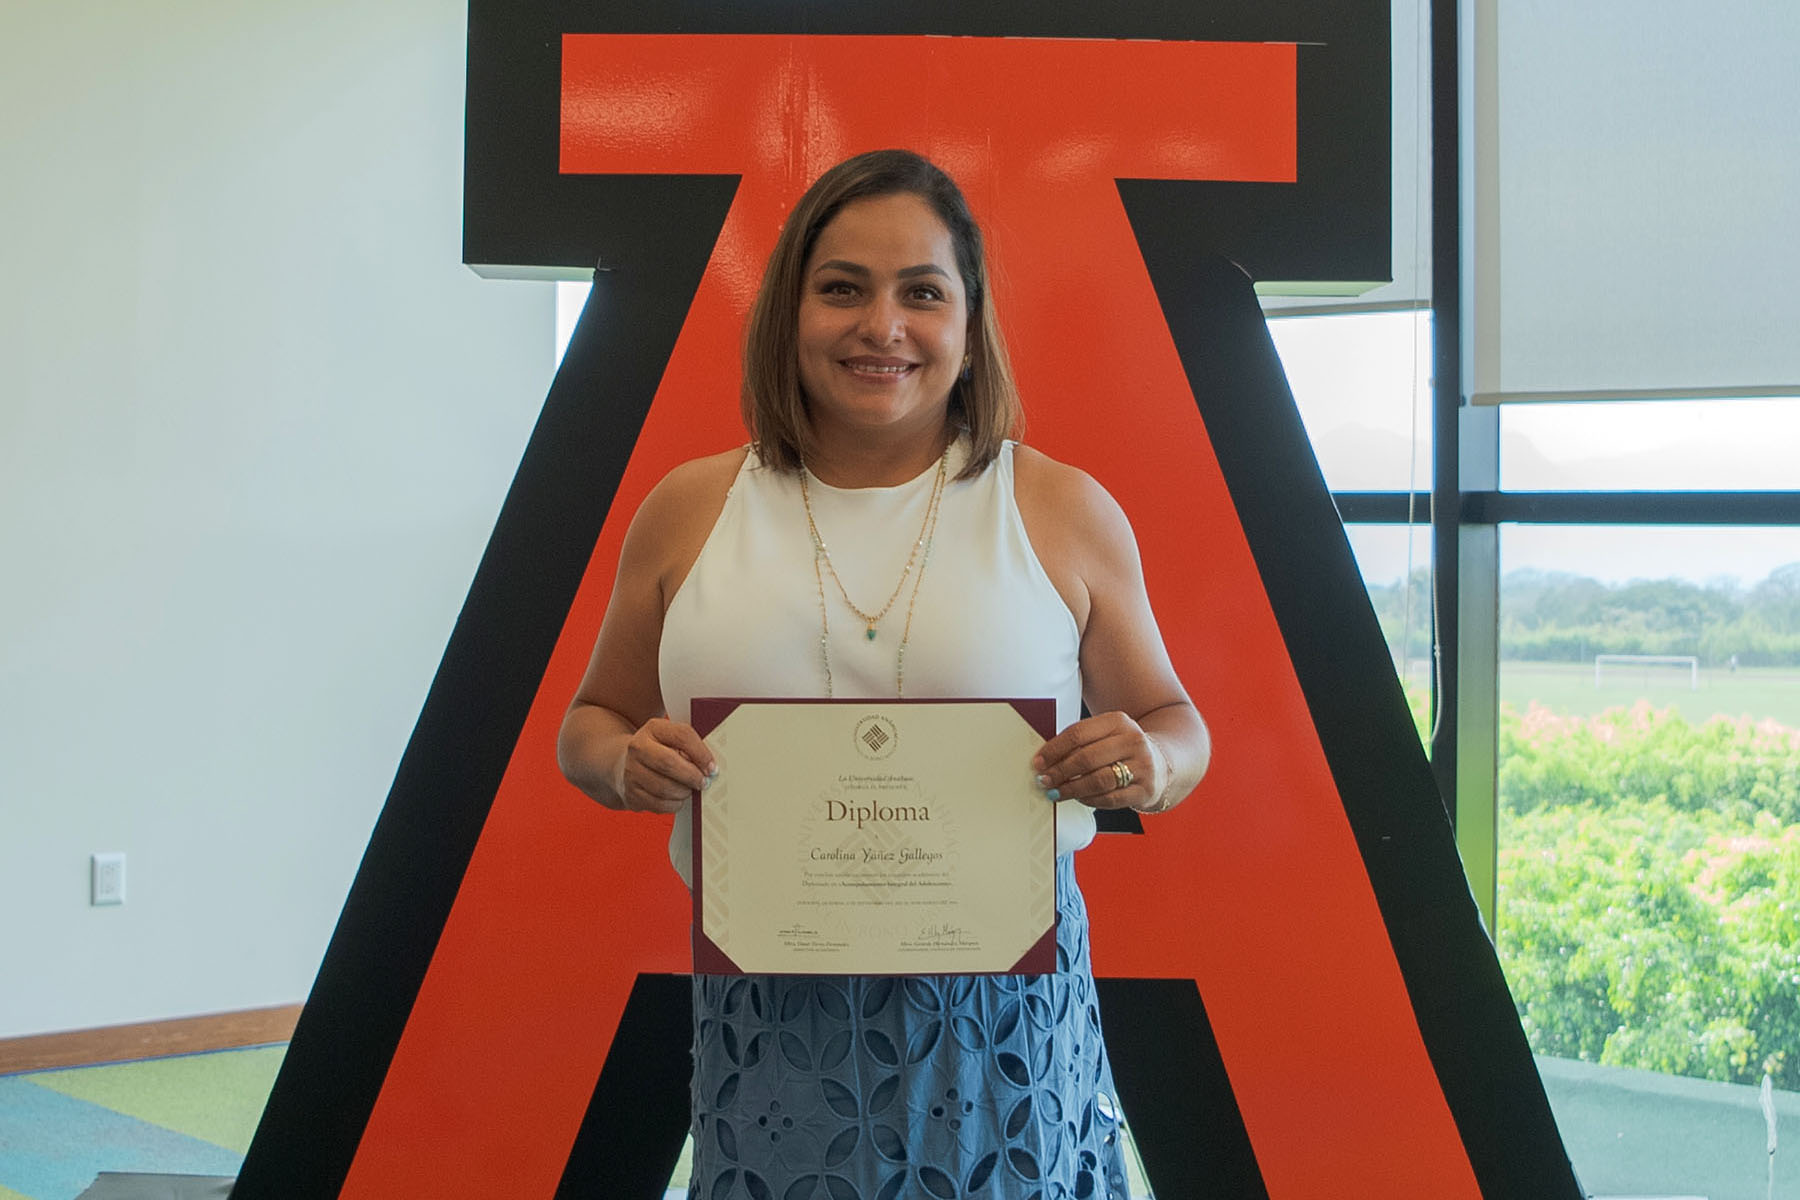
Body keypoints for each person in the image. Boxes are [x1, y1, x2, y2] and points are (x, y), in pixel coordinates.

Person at [558, 148, 1209, 1199]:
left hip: (999, 1019)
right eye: (843, 289)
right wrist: (623, 762)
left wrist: (1150, 760)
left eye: (922, 293)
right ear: (790, 310)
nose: (883, 327)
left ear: (968, 319)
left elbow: (1179, 726)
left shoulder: (1058, 507)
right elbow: (589, 724)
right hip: (771, 1012)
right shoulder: (687, 508)